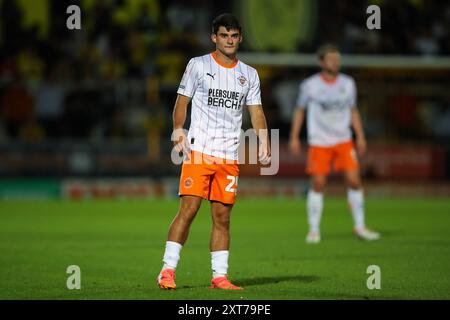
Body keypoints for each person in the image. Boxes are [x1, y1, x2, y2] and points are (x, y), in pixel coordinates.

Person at [157, 13, 270, 290]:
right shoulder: (198, 65)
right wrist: (178, 128)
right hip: (199, 151)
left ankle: (219, 276)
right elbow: (182, 101)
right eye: (224, 35)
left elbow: (256, 112)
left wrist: (264, 141)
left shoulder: (249, 74)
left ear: (240, 38)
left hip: (229, 156)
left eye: (234, 36)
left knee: (222, 217)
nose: (229, 41)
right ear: (214, 38)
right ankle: (167, 270)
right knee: (189, 209)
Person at [288, 44, 380, 244]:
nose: (335, 63)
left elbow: (353, 110)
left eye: (337, 59)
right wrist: (294, 136)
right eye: (331, 59)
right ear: (322, 62)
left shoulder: (348, 83)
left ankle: (360, 226)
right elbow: (300, 110)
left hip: (344, 140)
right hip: (320, 142)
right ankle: (313, 230)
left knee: (354, 181)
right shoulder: (310, 85)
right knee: (319, 183)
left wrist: (360, 135)